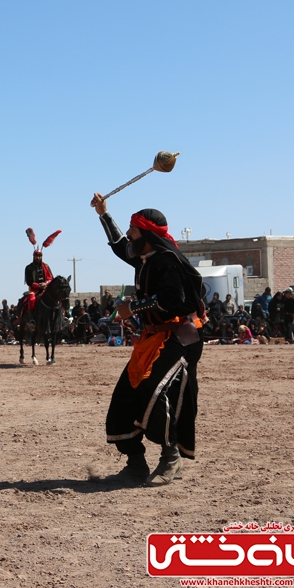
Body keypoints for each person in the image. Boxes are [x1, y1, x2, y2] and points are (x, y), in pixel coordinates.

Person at [92, 193, 204, 487]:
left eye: (133, 230)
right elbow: (119, 247)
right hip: (151, 339)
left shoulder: (168, 261)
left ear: (148, 235)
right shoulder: (144, 257)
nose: (129, 235)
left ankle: (170, 457)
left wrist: (133, 307)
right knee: (124, 396)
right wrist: (104, 214)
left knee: (153, 393)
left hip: (179, 337)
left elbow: (172, 299)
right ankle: (135, 463)